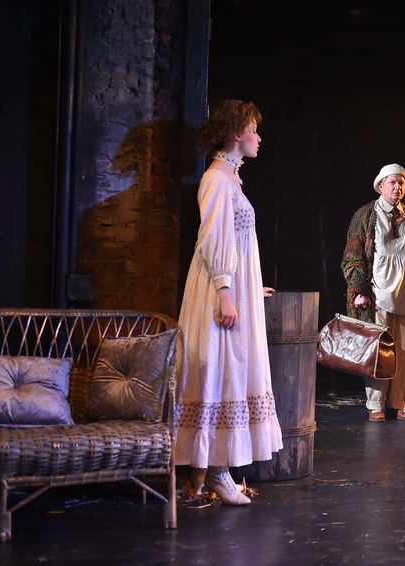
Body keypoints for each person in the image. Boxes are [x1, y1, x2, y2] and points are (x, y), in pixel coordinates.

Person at [176, 100, 283, 504]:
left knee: (230, 372)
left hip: (233, 288)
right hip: (217, 291)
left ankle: (205, 474)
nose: (258, 137)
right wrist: (226, 292)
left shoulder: (231, 178)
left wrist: (249, 287)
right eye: (253, 130)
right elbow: (213, 240)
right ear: (236, 133)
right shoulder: (217, 179)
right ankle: (218, 472)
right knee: (222, 373)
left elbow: (237, 242)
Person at [341, 164, 405, 422]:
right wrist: (359, 290)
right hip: (379, 293)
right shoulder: (366, 215)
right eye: (393, 182)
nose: (397, 187)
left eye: (401, 183)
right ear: (381, 185)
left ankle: (398, 403)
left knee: (403, 352)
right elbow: (353, 255)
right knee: (380, 351)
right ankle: (375, 404)